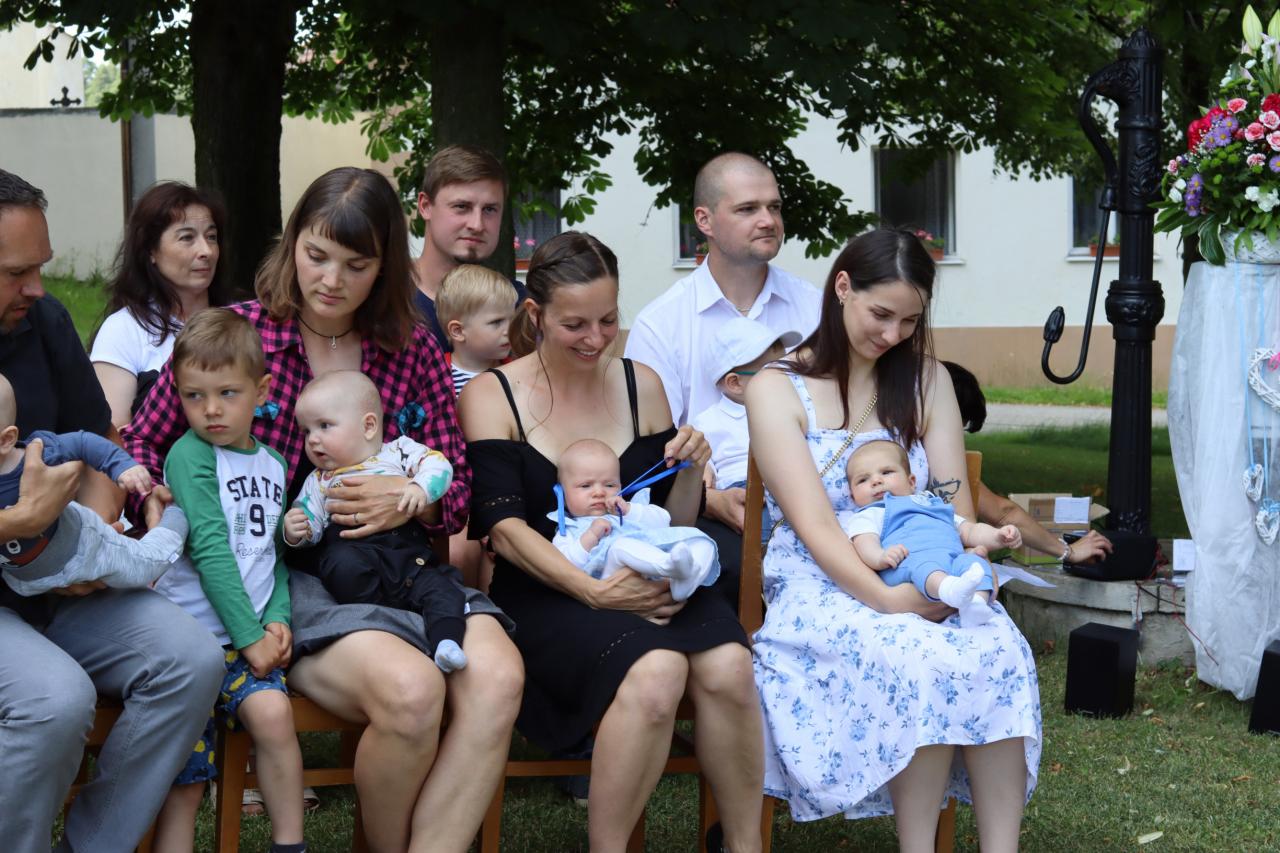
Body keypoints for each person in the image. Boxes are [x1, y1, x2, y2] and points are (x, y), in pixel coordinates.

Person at [122, 166, 522, 852]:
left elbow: (457, 491)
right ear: (292, 245)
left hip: (409, 566)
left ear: (385, 266)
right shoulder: (241, 334)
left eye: (356, 265)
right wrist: (158, 495)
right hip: (288, 582)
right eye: (316, 255)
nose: (331, 279)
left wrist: (410, 503)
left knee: (500, 677)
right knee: (412, 692)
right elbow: (143, 444)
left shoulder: (413, 348)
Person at [460, 231, 763, 852]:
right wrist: (594, 592)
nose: (596, 339)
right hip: (546, 589)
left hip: (645, 571)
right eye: (574, 324)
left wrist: (690, 472)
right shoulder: (494, 394)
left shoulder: (639, 384)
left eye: (607, 320)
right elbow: (504, 530)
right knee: (655, 672)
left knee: (731, 666)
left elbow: (672, 518)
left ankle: (742, 843)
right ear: (535, 314)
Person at [747, 228, 1040, 852]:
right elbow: (814, 525)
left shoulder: (927, 380)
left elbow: (952, 504)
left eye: (909, 321)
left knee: (997, 647)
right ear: (843, 288)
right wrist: (885, 599)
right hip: (823, 577)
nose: (892, 335)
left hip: (927, 561)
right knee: (914, 651)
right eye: (881, 314)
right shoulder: (776, 387)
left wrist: (968, 565)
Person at [0, 168, 224, 853]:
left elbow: (100, 444)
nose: (37, 288)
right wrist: (18, 527)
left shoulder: (44, 322)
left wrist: (94, 541)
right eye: (16, 273)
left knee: (191, 658)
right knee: (54, 700)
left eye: (41, 267)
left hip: (60, 579)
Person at [147, 308, 306, 853]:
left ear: (262, 392)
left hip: (247, 639)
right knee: (187, 779)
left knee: (275, 716)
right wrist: (251, 638)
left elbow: (272, 555)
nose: (211, 409)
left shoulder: (274, 464)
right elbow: (213, 553)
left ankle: (290, 844)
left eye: (227, 393)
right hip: (188, 645)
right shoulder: (189, 457)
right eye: (194, 396)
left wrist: (277, 618)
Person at [625, 152, 821, 539]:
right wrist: (710, 501)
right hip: (704, 522)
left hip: (818, 504)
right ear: (705, 220)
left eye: (774, 207)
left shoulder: (815, 310)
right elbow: (650, 452)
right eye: (748, 209)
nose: (768, 220)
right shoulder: (661, 324)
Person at [284, 370, 468, 673]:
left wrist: (420, 488)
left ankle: (446, 643)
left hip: (408, 556)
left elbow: (439, 465)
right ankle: (389, 621)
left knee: (443, 591)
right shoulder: (319, 480)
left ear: (368, 426)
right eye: (306, 431)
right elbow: (311, 524)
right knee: (340, 567)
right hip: (354, 553)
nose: (312, 439)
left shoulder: (398, 451)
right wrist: (297, 531)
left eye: (324, 426)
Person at [0, 374, 189, 596]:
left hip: (83, 549)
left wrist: (122, 466)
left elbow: (83, 442)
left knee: (145, 564)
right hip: (23, 580)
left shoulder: (39, 453)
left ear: (6, 440)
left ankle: (177, 515)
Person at [943, 360, 1115, 564]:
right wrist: (1068, 551)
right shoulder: (937, 456)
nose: (959, 439)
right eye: (958, 427)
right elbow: (1002, 514)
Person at [842, 439, 1022, 628]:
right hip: (906, 564)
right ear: (853, 495)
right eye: (863, 480)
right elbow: (865, 542)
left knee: (975, 564)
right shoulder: (871, 513)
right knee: (925, 567)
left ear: (911, 482)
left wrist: (997, 536)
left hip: (951, 560)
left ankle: (976, 605)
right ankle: (950, 590)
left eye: (886, 472)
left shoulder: (932, 504)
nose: (876, 481)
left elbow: (969, 530)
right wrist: (880, 557)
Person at [90, 181, 228, 426]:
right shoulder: (123, 330)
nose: (206, 250)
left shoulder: (239, 320)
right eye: (187, 238)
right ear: (150, 250)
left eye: (211, 237)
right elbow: (113, 433)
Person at [550, 437, 720, 601]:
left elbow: (664, 522)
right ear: (562, 494)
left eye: (609, 485)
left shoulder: (628, 509)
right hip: (613, 580)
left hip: (656, 571)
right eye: (585, 486)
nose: (599, 492)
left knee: (701, 540)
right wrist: (591, 536)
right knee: (620, 547)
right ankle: (670, 566)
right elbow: (567, 567)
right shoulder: (568, 530)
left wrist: (628, 511)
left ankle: (684, 583)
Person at [411, 144, 527, 351]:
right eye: (461, 207)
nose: (477, 225)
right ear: (425, 206)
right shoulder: (384, 301)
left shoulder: (520, 309)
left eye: (489, 209)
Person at [689, 316, 799, 494]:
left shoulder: (794, 407)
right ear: (735, 383)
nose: (788, 378)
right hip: (740, 487)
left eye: (788, 367)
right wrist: (705, 467)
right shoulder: (709, 420)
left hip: (791, 482)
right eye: (776, 371)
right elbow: (697, 452)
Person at [438, 263, 516, 396]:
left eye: (512, 320)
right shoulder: (437, 375)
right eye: (496, 322)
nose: (509, 330)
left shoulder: (515, 371)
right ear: (458, 331)